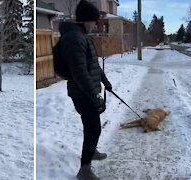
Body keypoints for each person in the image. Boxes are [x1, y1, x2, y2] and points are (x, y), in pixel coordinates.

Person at [57, 0, 113, 179]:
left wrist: (105, 82)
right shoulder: (74, 39)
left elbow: (93, 64)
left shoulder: (80, 37)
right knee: (94, 127)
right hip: (82, 93)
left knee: (91, 127)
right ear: (86, 20)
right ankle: (85, 169)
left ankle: (91, 151)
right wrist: (96, 97)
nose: (96, 25)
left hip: (86, 91)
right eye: (94, 21)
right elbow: (80, 73)